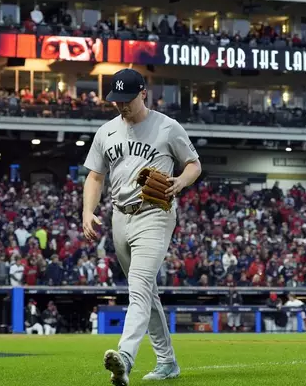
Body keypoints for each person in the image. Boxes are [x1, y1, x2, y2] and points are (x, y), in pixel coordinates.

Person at [83, 68, 201, 385]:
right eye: (116, 100)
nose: (121, 105)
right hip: (119, 216)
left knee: (138, 285)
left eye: (127, 99)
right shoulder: (106, 132)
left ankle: (125, 357)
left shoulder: (167, 127)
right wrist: (87, 211)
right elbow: (95, 176)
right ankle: (167, 362)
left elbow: (193, 163)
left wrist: (180, 182)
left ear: (143, 94)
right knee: (147, 293)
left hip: (155, 213)